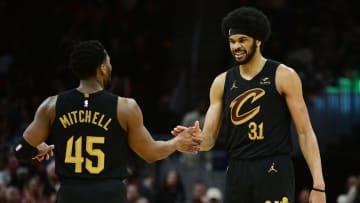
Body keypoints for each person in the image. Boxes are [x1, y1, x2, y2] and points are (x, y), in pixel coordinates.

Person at [13, 40, 202, 203]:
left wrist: (37, 148)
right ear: (102, 68)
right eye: (109, 63)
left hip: (70, 195)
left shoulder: (51, 105)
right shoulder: (125, 107)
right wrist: (176, 143)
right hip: (109, 195)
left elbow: (20, 151)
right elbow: (150, 153)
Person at [172, 6, 326, 203]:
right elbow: (209, 139)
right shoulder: (221, 82)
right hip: (238, 168)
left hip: (274, 165)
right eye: (232, 41)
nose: (236, 46)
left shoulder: (283, 75)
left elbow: (305, 133)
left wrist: (319, 185)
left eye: (242, 40)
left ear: (258, 40)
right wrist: (194, 142)